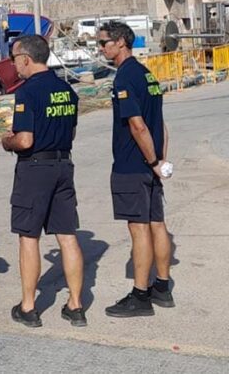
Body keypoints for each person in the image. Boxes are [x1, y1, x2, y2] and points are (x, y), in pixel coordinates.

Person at [1, 35, 87, 328]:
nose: (14, 65)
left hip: (35, 168)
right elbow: (71, 133)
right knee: (67, 235)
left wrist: (7, 141)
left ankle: (28, 307)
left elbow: (25, 140)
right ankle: (76, 305)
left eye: (14, 59)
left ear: (26, 58)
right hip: (64, 163)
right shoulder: (66, 90)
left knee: (28, 236)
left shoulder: (27, 92)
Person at [97, 21, 174, 317]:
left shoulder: (125, 78)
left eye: (104, 42)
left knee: (139, 228)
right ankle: (162, 287)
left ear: (120, 42)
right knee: (157, 223)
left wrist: (153, 162)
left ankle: (140, 295)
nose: (101, 48)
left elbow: (138, 125)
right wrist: (160, 161)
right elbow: (161, 124)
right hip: (151, 164)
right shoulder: (147, 74)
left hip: (133, 164)